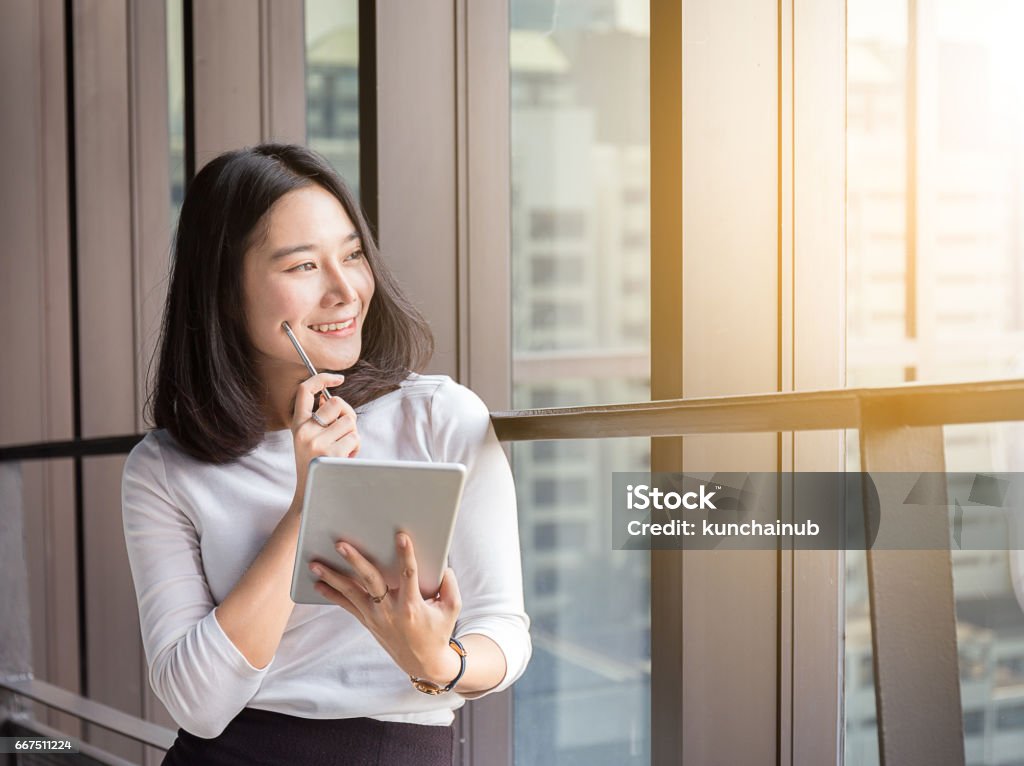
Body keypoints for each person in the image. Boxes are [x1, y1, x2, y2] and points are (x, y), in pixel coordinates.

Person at [121, 144, 531, 765]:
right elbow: (197, 705)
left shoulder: (441, 417)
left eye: (352, 255)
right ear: (227, 293)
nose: (345, 291)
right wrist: (308, 507)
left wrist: (438, 662)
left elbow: (506, 630)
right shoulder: (164, 468)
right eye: (303, 267)